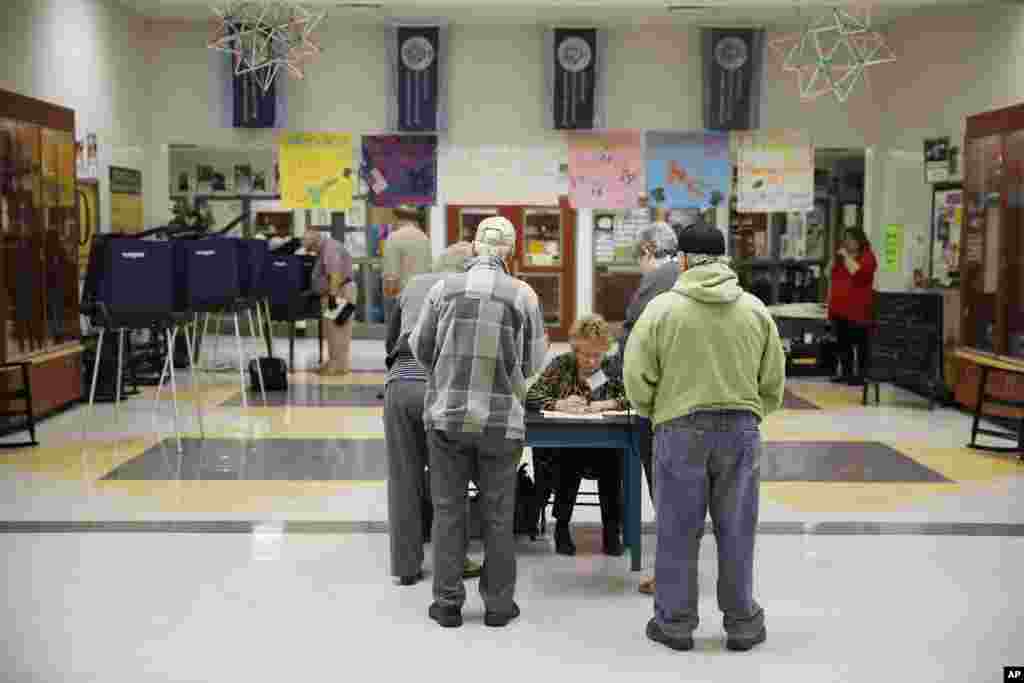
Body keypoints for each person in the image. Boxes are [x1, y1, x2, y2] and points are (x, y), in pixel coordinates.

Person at [624, 221, 786, 653]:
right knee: (737, 530)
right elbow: (773, 380)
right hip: (740, 430)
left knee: (677, 530)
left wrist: (658, 411)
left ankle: (675, 624)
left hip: (679, 428)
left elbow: (636, 376)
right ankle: (742, 624)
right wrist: (749, 412)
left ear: (682, 261)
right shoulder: (754, 310)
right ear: (724, 259)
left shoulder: (662, 309)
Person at [410, 216, 546, 629]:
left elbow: (420, 349)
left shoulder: (441, 289)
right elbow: (534, 362)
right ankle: (499, 606)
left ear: (473, 248)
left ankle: (448, 604)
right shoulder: (523, 295)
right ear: (511, 251)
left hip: (448, 420)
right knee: (499, 516)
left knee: (449, 512)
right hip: (501, 424)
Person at [384, 241, 481, 586]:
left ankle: (406, 567)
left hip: (399, 385)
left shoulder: (413, 284)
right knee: (449, 479)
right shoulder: (466, 291)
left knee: (403, 479)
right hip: (439, 387)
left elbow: (392, 339)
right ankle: (454, 562)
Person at [526, 314, 627, 557]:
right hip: (564, 447)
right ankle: (561, 528)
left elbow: (633, 398)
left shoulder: (609, 368)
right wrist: (559, 403)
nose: (592, 361)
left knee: (612, 462)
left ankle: (611, 531)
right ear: (575, 349)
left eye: (597, 355)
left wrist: (606, 404)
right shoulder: (561, 365)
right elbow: (531, 397)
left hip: (605, 447)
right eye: (585, 354)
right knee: (570, 457)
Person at [621, 221, 680, 594]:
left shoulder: (657, 281)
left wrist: (618, 385)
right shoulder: (694, 276)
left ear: (647, 251)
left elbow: (634, 342)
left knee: (666, 490)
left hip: (662, 405)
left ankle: (670, 576)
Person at [827, 228, 878, 386]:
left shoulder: (868, 257)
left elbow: (858, 273)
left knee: (861, 343)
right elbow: (828, 274)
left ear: (859, 241)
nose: (847, 242)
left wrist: (846, 257)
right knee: (843, 343)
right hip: (840, 308)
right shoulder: (842, 258)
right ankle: (846, 373)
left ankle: (862, 375)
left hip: (859, 309)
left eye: (850, 239)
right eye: (845, 239)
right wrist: (834, 260)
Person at [303, 228, 355, 375]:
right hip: (340, 290)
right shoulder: (328, 247)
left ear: (316, 241)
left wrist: (332, 297)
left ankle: (335, 366)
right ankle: (339, 365)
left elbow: (335, 274)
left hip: (339, 291)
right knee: (339, 330)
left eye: (311, 248)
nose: (312, 251)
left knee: (336, 331)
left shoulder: (329, 248)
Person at [382, 212, 433, 323]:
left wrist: (389, 297)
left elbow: (391, 274)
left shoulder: (394, 237)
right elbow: (430, 267)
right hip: (423, 294)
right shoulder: (424, 237)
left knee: (397, 334)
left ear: (396, 219)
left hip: (402, 296)